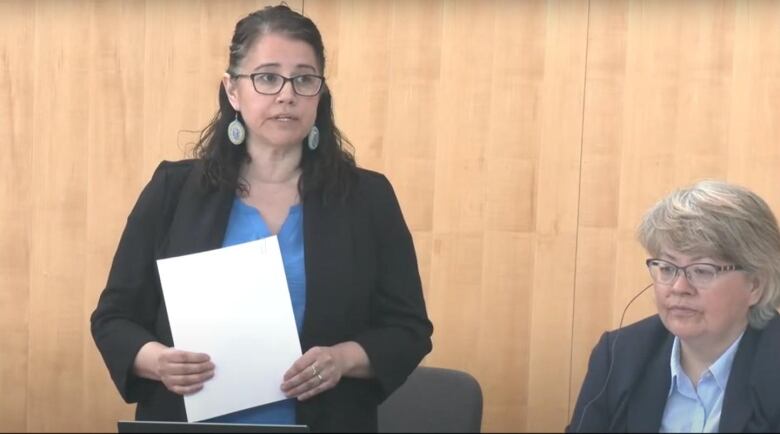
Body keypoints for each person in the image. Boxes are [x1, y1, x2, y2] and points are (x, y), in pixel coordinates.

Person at [90, 5, 433, 432]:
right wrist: (158, 361)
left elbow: (408, 329)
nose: (286, 94)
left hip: (326, 420)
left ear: (320, 94)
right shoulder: (172, 191)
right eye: (267, 77)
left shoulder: (367, 199)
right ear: (233, 91)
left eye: (304, 79)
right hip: (187, 419)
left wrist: (342, 358)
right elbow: (113, 318)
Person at [568, 180, 780, 432]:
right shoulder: (619, 355)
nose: (679, 287)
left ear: (754, 285)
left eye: (701, 270)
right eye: (667, 268)